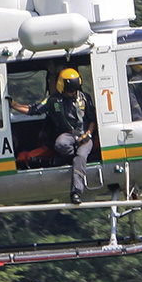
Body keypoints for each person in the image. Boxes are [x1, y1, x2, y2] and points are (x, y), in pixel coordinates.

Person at [28, 67, 94, 204]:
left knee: (81, 157)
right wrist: (13, 105)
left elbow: (92, 119)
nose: (71, 94)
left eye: (73, 91)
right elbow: (34, 110)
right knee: (61, 144)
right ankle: (69, 158)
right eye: (69, 91)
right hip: (69, 136)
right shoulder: (55, 100)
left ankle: (76, 192)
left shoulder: (85, 98)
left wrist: (88, 134)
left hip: (85, 137)